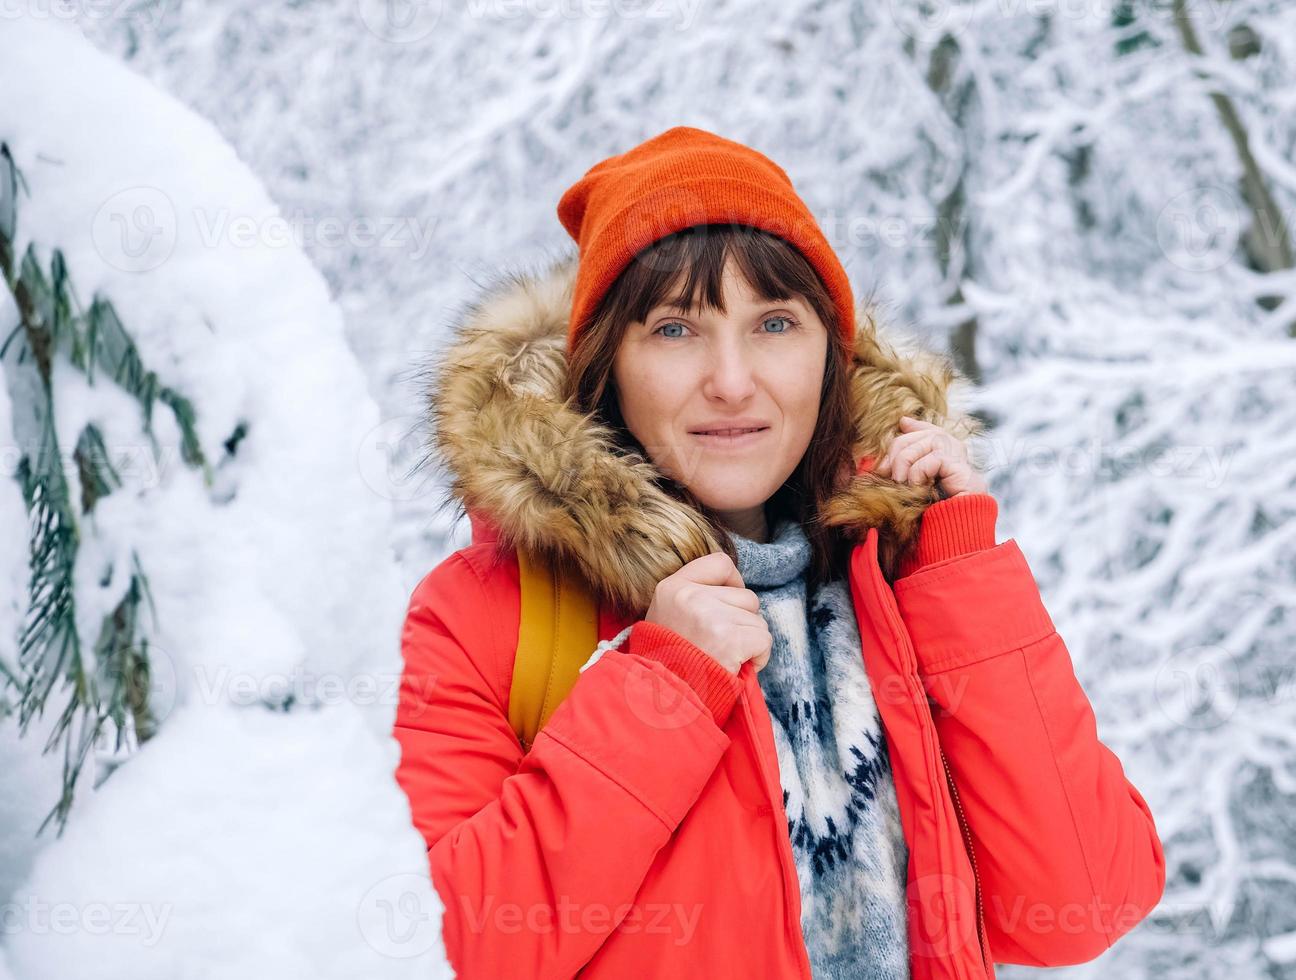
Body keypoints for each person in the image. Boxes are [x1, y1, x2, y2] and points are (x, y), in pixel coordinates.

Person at [392, 125, 1165, 980]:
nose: (731, 380)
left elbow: (1082, 910)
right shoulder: (483, 616)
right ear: (606, 366)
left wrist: (958, 570)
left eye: (773, 323)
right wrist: (665, 683)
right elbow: (446, 947)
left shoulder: (900, 582)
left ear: (830, 356)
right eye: (675, 330)